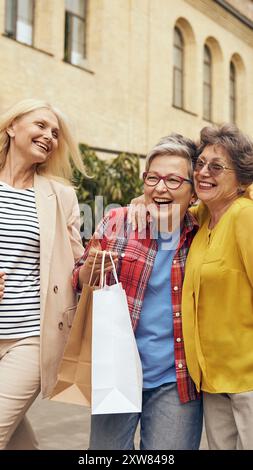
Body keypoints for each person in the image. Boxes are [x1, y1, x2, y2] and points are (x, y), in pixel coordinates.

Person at [73, 134, 203, 450]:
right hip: (115, 371)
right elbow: (78, 277)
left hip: (176, 379)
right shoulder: (117, 220)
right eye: (153, 178)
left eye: (174, 180)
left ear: (194, 191)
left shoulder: (203, 231)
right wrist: (91, 271)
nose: (160, 188)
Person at [0, 98, 87, 449]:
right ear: (11, 127)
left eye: (55, 133)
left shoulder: (60, 196)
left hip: (29, 336)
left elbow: (76, 266)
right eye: (40, 126)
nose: (49, 136)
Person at [181, 124, 253, 450]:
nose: (203, 172)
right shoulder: (201, 218)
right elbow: (164, 205)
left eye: (216, 166)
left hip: (248, 381)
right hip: (212, 382)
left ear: (241, 180)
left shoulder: (245, 217)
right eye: (200, 163)